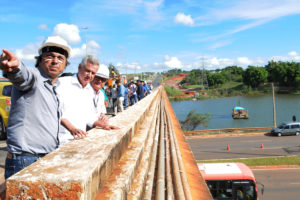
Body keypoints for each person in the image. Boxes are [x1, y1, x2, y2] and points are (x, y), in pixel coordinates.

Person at [0, 36, 70, 179]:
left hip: (44, 158)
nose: (55, 61)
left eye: (60, 58)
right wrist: (14, 68)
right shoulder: (35, 77)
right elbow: (23, 76)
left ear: (65, 65)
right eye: (49, 56)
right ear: (40, 59)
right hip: (25, 160)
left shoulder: (53, 87)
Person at [57, 55, 113, 145]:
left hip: (79, 139)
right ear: (79, 68)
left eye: (93, 73)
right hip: (61, 140)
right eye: (87, 71)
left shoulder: (88, 90)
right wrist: (72, 128)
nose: (89, 75)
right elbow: (55, 112)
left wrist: (102, 124)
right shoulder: (62, 83)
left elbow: (88, 117)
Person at [90, 65, 117, 129]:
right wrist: (101, 124)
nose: (100, 81)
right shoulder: (82, 92)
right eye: (97, 77)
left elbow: (101, 112)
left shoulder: (101, 94)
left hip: (94, 129)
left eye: (103, 79)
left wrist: (103, 116)